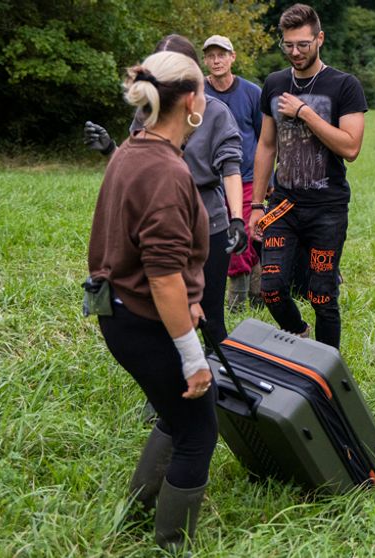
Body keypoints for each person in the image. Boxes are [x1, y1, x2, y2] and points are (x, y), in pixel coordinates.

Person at [87, 51, 215, 552]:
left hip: (119, 312)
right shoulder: (166, 171)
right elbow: (162, 278)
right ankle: (171, 544)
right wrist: (192, 356)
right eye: (203, 89)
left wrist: (194, 299)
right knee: (198, 434)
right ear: (189, 101)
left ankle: (136, 515)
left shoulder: (132, 150)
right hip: (145, 320)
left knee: (173, 411)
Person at [84, 35, 248, 346]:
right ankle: (174, 382)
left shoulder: (214, 113)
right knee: (162, 309)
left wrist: (237, 217)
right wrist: (111, 149)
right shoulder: (146, 112)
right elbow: (136, 162)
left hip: (206, 224)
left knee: (210, 317)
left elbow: (231, 168)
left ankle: (219, 384)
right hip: (156, 223)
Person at [247, 3, 367, 350]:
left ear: (320, 39)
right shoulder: (274, 83)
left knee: (322, 295)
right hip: (283, 204)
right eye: (289, 45)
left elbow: (351, 147)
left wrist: (304, 113)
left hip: (327, 209)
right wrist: (256, 205)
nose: (296, 52)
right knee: (270, 289)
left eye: (303, 44)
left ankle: (329, 369)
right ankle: (299, 334)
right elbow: (266, 146)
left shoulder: (344, 85)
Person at [199, 35, 266, 311]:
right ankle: (247, 293)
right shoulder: (197, 93)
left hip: (248, 175)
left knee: (249, 233)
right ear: (205, 60)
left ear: (232, 57)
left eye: (221, 55)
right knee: (226, 234)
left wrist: (269, 179)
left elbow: (265, 138)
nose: (216, 60)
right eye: (211, 56)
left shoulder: (252, 93)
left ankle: (249, 294)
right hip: (212, 180)